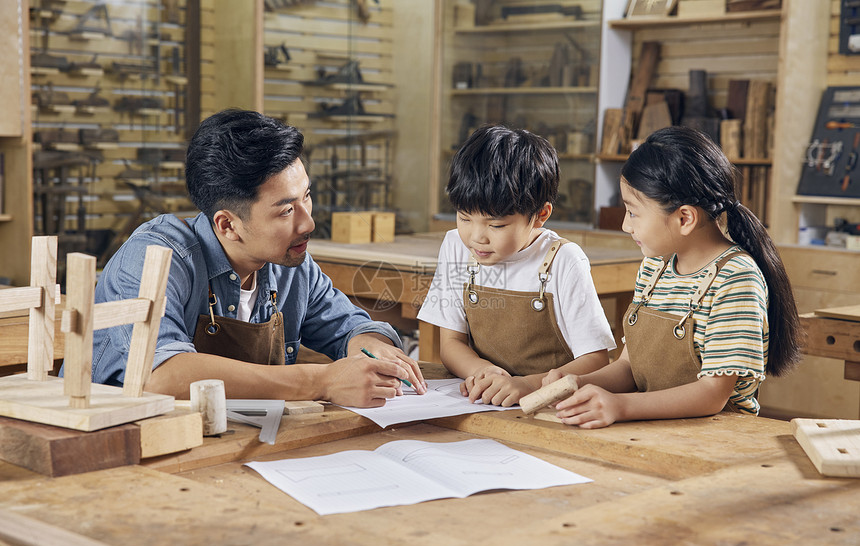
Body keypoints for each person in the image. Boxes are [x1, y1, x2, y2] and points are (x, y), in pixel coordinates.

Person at [83, 108, 425, 406]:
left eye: (307, 197)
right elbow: (161, 375)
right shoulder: (154, 257)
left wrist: (369, 346)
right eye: (287, 210)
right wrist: (321, 382)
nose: (309, 222)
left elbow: (351, 325)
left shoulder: (291, 266)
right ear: (228, 225)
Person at [542, 126, 802, 428]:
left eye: (633, 213)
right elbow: (629, 367)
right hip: (650, 430)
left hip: (714, 437)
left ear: (684, 218)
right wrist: (577, 381)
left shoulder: (736, 278)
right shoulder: (655, 267)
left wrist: (620, 406)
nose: (626, 225)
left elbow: (712, 395)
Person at [417, 124, 616, 407]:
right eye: (464, 218)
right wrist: (481, 372)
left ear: (540, 215)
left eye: (496, 224)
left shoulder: (563, 261)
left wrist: (526, 385)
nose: (477, 237)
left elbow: (596, 361)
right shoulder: (456, 246)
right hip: (486, 401)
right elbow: (451, 344)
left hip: (549, 406)